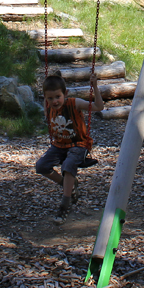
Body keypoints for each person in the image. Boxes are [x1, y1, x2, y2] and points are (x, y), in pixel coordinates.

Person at [36, 74, 105, 222]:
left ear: (65, 94)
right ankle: (68, 184)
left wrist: (95, 87)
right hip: (59, 145)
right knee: (41, 166)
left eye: (57, 97)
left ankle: (64, 205)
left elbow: (99, 107)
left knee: (68, 165)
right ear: (45, 98)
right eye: (50, 98)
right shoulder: (48, 106)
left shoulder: (75, 103)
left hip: (79, 144)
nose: (54, 101)